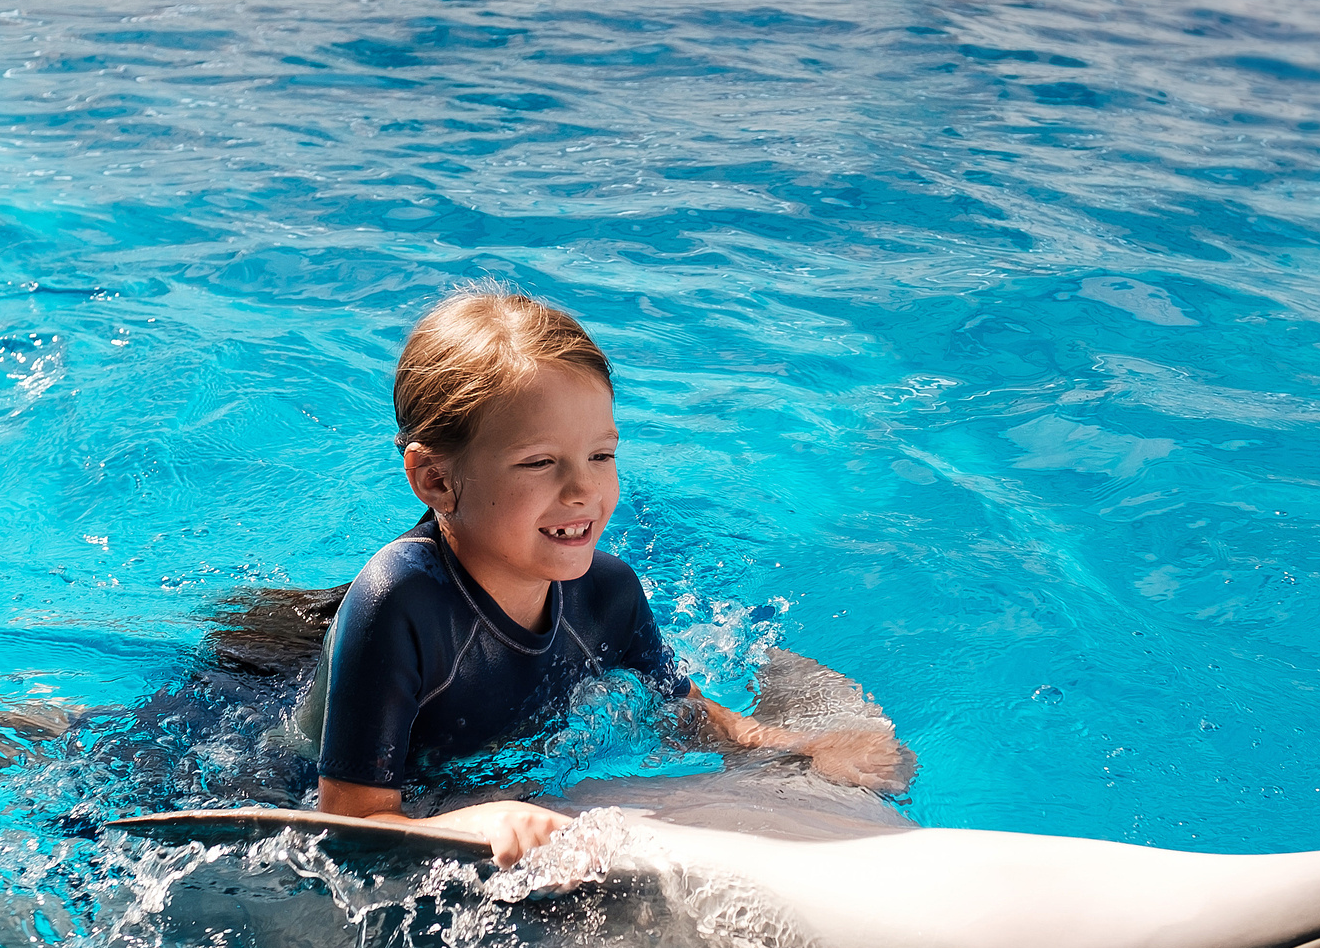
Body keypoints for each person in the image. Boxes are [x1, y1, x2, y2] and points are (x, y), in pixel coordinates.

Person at [296, 289, 911, 866]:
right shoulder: (398, 602)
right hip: (285, 780)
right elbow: (347, 825)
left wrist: (792, 747)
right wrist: (472, 826)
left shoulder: (607, 593)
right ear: (435, 481)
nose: (584, 489)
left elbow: (678, 712)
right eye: (540, 462)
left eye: (601, 455)